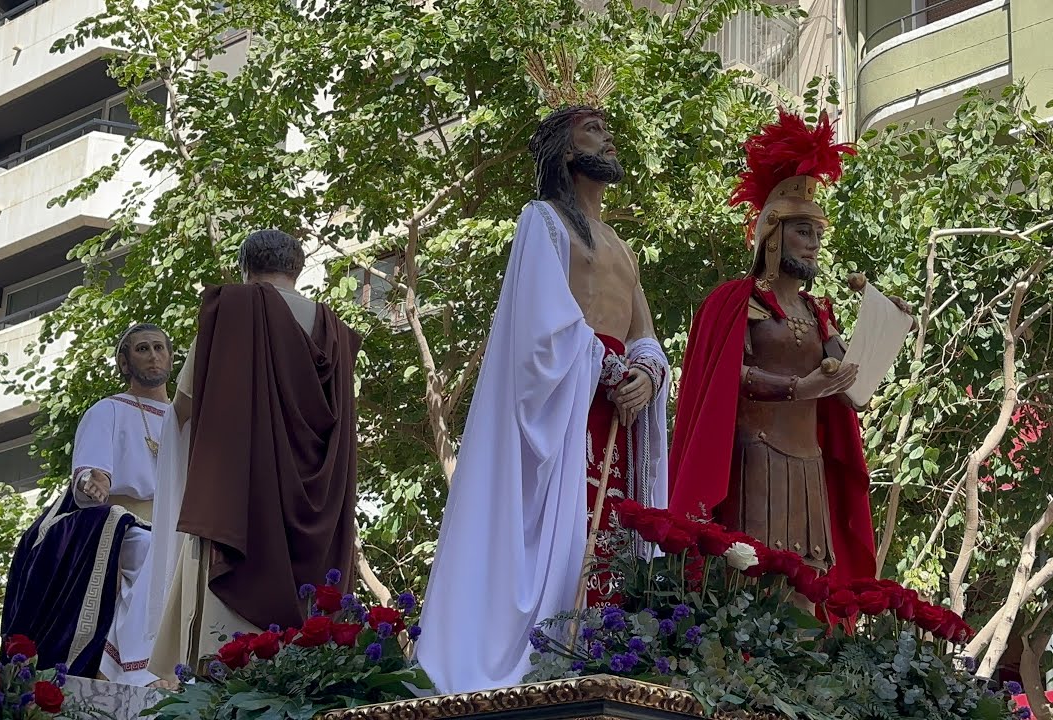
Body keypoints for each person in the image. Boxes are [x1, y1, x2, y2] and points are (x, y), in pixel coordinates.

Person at [414, 62, 670, 694]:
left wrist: (645, 370)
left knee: (615, 528)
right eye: (591, 129)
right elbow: (541, 324)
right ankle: (554, 655)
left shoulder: (620, 243)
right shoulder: (543, 221)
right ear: (563, 148)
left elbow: (644, 332)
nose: (606, 138)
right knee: (573, 528)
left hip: (616, 406)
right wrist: (604, 363)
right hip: (569, 405)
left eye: (606, 128)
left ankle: (610, 654)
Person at [668, 109, 912, 595]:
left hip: (810, 466)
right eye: (804, 232)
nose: (814, 245)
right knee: (755, 584)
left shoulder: (819, 311)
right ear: (773, 234)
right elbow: (728, 378)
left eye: (818, 235)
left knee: (809, 587)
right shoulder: (738, 301)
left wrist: (886, 326)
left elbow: (851, 390)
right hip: (755, 458)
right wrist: (800, 387)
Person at [147, 229, 361, 682]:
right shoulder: (337, 334)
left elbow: (184, 406)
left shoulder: (236, 310)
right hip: (319, 530)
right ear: (297, 269)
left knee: (225, 676)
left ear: (245, 266)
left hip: (243, 514)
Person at [2, 323, 173, 687]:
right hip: (125, 526)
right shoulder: (108, 410)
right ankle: (140, 672)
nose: (154, 355)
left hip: (179, 524)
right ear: (125, 363)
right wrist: (94, 482)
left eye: (160, 347)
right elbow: (91, 475)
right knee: (152, 553)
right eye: (143, 349)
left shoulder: (187, 421)